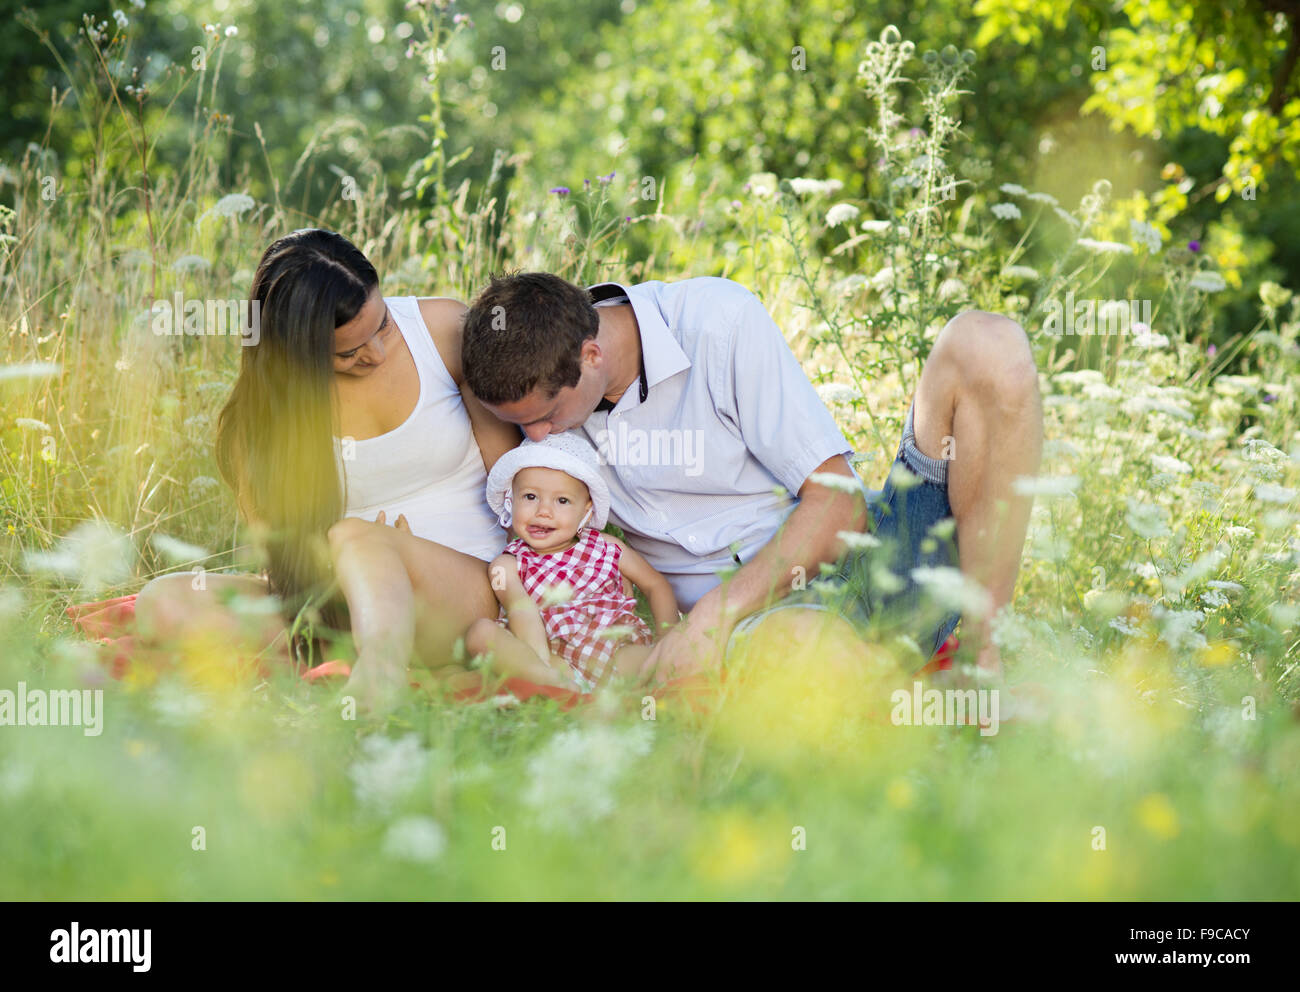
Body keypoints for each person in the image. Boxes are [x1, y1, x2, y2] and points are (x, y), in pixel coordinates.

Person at [459, 273, 1043, 683]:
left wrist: (714, 617)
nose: (536, 439)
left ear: (591, 355)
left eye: (546, 416)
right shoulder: (536, 387)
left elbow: (838, 503)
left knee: (986, 341)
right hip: (771, 629)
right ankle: (907, 692)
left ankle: (981, 655)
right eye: (520, 424)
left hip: (875, 559)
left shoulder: (717, 321)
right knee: (800, 657)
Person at [134, 229, 522, 711]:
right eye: (347, 352)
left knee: (358, 536)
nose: (376, 354)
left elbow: (517, 484)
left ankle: (379, 675)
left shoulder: (443, 330)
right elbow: (281, 560)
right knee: (162, 602)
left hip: (476, 596)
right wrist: (364, 572)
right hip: (341, 605)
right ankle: (367, 650)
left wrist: (399, 554)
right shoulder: (261, 423)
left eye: (382, 326)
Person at [464, 433, 679, 691]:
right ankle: (555, 686)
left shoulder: (607, 547)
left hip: (616, 650)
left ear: (586, 511)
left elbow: (655, 585)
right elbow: (521, 610)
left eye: (562, 500)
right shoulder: (507, 564)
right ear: (512, 500)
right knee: (480, 634)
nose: (544, 511)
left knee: (644, 661)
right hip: (552, 656)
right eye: (530, 497)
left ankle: (645, 682)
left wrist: (668, 641)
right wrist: (542, 663)